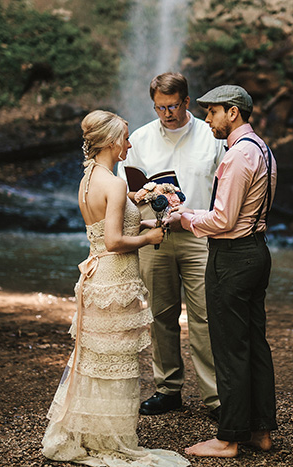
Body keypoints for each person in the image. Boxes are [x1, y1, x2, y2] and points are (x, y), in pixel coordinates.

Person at [42, 110, 189, 467]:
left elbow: (104, 224)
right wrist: (150, 236)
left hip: (95, 279)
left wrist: (138, 202)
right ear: (110, 142)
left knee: (96, 360)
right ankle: (113, 436)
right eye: (125, 137)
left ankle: (91, 430)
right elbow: (113, 241)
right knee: (119, 361)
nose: (130, 142)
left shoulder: (90, 178)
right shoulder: (115, 182)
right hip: (115, 279)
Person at [177, 85, 278, 458]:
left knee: (229, 346)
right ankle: (261, 432)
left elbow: (222, 219)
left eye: (213, 112)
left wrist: (182, 217)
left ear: (233, 113)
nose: (207, 119)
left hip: (232, 257)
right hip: (257, 253)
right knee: (254, 344)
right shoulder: (264, 150)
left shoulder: (237, 155)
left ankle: (228, 438)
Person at [117, 72, 224, 419]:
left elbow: (227, 186)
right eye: (160, 107)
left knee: (205, 317)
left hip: (199, 236)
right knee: (160, 315)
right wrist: (147, 193)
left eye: (173, 106)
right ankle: (168, 389)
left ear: (187, 102)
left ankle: (216, 397)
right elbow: (124, 191)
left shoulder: (213, 136)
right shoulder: (141, 139)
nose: (167, 113)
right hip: (155, 236)